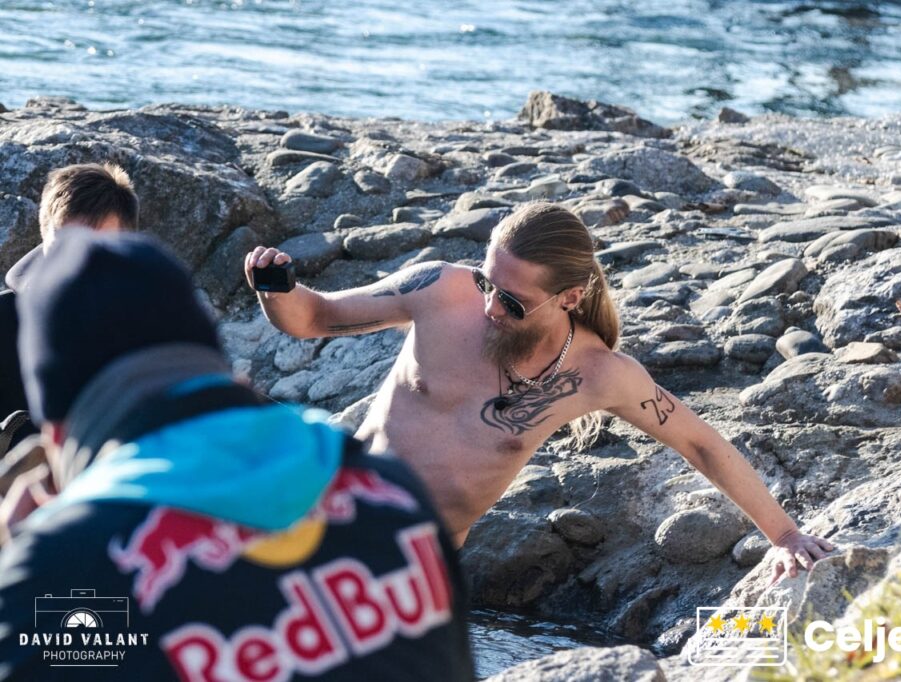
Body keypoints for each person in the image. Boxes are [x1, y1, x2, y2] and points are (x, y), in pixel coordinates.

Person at [246, 202, 834, 583]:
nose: (489, 306)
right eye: (486, 282)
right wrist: (275, 287)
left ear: (569, 298)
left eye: (512, 301)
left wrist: (785, 535)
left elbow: (701, 443)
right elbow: (313, 318)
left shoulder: (600, 374)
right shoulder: (439, 290)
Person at [0, 230, 473, 681]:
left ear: (57, 432)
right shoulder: (393, 494)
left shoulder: (68, 564)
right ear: (225, 371)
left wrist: (20, 571)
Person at [0, 162, 138, 457]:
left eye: (96, 249)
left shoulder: (153, 335)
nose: (76, 264)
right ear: (43, 239)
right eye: (63, 246)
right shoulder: (3, 321)